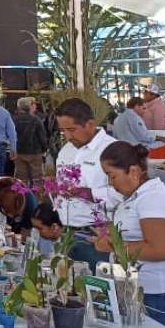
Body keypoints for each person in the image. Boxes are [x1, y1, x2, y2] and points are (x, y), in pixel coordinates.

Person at [93, 141, 165, 328]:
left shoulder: (154, 198)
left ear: (133, 171)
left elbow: (160, 250)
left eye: (112, 176)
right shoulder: (139, 197)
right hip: (147, 295)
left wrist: (111, 245)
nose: (110, 183)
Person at [53, 97, 116, 269]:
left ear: (90, 124)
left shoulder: (112, 150)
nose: (67, 136)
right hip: (67, 234)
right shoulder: (66, 150)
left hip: (97, 236)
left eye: (72, 130)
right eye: (62, 131)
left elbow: (124, 195)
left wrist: (86, 193)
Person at [13, 97, 48, 185]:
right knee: (37, 178)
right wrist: (44, 149)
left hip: (19, 152)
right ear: (29, 106)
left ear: (19, 107)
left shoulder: (14, 120)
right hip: (35, 152)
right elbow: (42, 136)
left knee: (21, 179)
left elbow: (11, 135)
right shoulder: (36, 120)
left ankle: (22, 197)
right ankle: (37, 197)